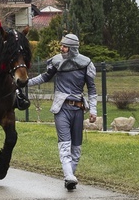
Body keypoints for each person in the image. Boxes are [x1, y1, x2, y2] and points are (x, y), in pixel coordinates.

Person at [27, 34, 97, 191]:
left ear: (73, 48)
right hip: (62, 108)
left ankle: (69, 177)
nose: (61, 48)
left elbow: (92, 89)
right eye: (61, 45)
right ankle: (69, 176)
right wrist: (26, 83)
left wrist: (93, 110)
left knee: (76, 147)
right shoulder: (56, 62)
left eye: (65, 46)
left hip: (78, 108)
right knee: (65, 143)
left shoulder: (86, 64)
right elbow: (45, 77)